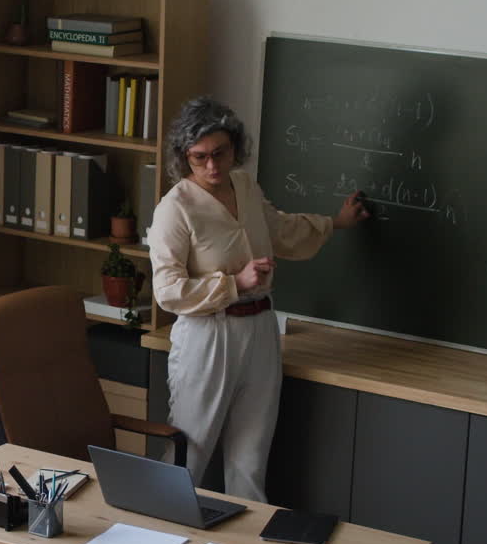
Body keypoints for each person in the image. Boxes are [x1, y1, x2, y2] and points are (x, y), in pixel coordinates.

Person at [147, 96, 369, 501]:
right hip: (208, 336)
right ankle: (153, 541)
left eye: (220, 153)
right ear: (184, 157)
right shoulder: (174, 210)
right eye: (199, 158)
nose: (212, 166)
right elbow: (167, 292)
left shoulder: (245, 186)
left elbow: (279, 229)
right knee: (190, 452)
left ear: (235, 147)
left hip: (261, 329)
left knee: (250, 459)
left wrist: (336, 222)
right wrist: (234, 283)